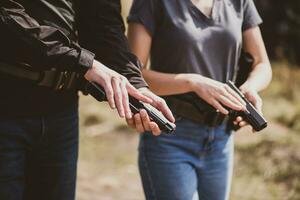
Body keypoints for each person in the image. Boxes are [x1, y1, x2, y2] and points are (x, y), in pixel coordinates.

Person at [0, 0, 175, 200]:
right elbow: (7, 18)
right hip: (5, 110)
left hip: (61, 114)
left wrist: (136, 85)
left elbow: (103, 24)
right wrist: (84, 63)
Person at [127, 0, 272, 199]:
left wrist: (249, 88)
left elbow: (262, 64)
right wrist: (192, 82)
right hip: (170, 135)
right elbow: (133, 76)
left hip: (222, 138)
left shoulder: (240, 2)